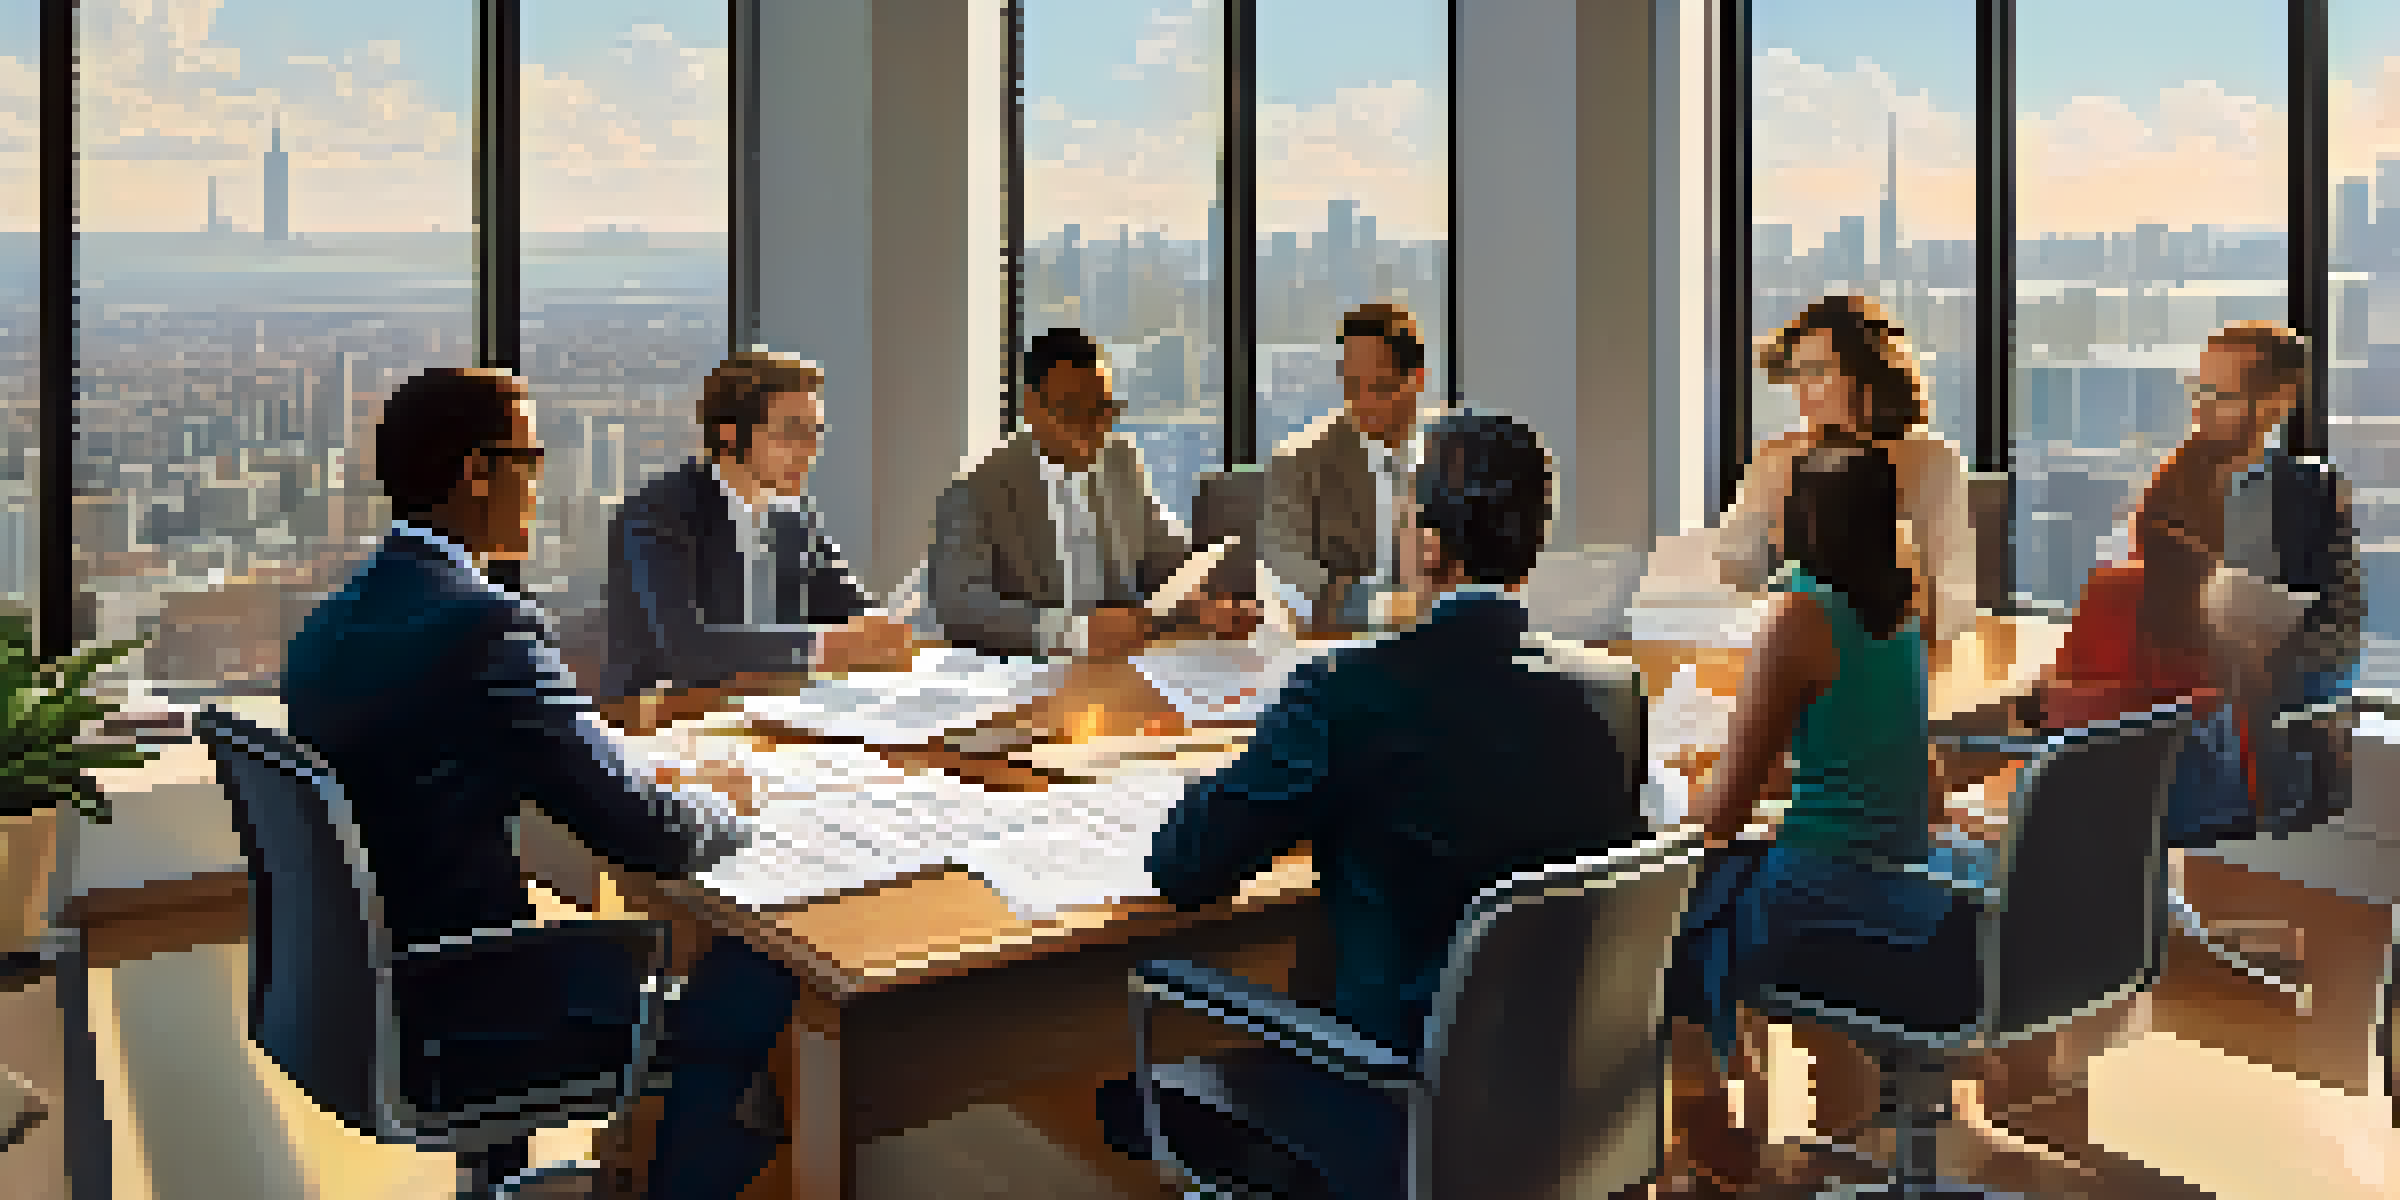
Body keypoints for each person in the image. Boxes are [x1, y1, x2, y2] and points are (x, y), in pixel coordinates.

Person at [1094, 411, 1651, 1195]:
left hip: (1392, 1103)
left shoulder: (1347, 691)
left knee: (1135, 1085)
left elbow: (1184, 866)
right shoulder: (1615, 693)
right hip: (1567, 1112)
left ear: (1428, 546)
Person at [281, 368, 799, 1200]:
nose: (539, 486)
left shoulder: (334, 619)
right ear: (477, 472)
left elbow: (501, 756)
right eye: (531, 460)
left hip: (367, 1001)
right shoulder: (484, 624)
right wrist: (729, 806)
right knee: (763, 974)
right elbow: (648, 834)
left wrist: (630, 771)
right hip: (473, 1004)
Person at [1664, 434, 1961, 1195]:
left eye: (1782, 510)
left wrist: (1665, 805)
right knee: (1728, 882)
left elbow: (1723, 811)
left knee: (1671, 918)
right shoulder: (1902, 612)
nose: (1771, 525)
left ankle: (1710, 1126)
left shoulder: (1798, 615)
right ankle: (1743, 1103)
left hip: (1826, 895)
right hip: (1899, 880)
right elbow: (1909, 779)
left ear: (1810, 522)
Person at [596, 349, 914, 704]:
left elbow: (849, 607)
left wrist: (876, 629)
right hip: (660, 717)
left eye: (815, 433)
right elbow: (689, 649)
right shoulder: (658, 513)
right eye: (791, 433)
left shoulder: (790, 516)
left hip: (773, 706)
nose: (809, 451)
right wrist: (820, 645)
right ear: (730, 434)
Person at [1721, 294, 1977, 667]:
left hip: (1898, 657)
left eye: (1818, 370)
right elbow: (1734, 572)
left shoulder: (1930, 460)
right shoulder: (1777, 458)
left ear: (1867, 374)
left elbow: (1954, 602)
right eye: (1797, 372)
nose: (1802, 387)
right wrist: (1774, 531)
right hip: (1792, 652)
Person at [929, 327, 1202, 657]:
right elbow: (959, 605)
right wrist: (1073, 633)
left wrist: (1204, 600)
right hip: (1036, 669)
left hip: (1123, 660)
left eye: (1103, 409)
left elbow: (1161, 553)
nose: (1095, 428)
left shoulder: (1121, 460)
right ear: (1031, 407)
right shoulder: (977, 489)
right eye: (1074, 411)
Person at [1259, 301, 1437, 636]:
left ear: (1417, 379)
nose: (1363, 403)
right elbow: (1292, 582)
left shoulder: (1454, 456)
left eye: (1380, 387)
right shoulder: (1299, 462)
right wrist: (1397, 608)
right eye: (1353, 386)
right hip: (1341, 648)